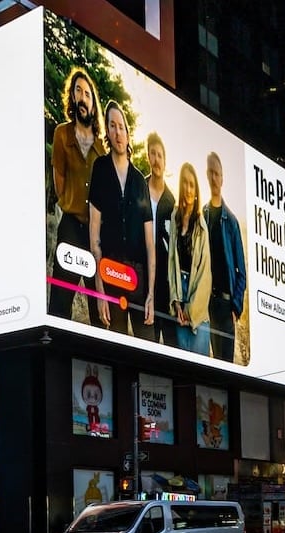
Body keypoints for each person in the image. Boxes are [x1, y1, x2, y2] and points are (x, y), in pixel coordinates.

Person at [88, 101, 155, 337]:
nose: (118, 132)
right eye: (112, 126)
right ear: (107, 131)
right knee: (115, 359)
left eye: (122, 127)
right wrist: (99, 291)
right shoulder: (100, 169)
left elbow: (149, 244)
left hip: (138, 281)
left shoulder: (139, 181)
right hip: (110, 275)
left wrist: (151, 295)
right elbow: (94, 234)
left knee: (147, 357)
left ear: (128, 133)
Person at [49, 67, 106, 325]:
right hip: (71, 230)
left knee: (99, 309)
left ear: (93, 104)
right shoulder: (62, 134)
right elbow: (58, 181)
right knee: (60, 306)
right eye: (78, 91)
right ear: (72, 97)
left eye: (87, 94)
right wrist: (71, 204)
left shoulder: (102, 147)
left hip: (96, 237)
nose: (82, 97)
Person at [203, 151, 247, 363]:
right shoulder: (202, 215)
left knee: (226, 364)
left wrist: (236, 307)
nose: (213, 178)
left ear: (223, 178)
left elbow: (241, 272)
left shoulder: (231, 221)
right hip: (206, 303)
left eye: (217, 173)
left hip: (225, 306)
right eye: (210, 173)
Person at [167, 162, 212, 354]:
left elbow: (204, 274)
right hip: (179, 293)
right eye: (184, 182)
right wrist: (176, 301)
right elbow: (171, 262)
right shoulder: (175, 217)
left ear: (196, 190)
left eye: (191, 184)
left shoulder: (201, 224)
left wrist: (190, 310)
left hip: (196, 301)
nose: (187, 188)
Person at [145, 132, 177, 347]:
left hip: (165, 284)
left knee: (171, 345)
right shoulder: (139, 189)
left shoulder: (171, 200)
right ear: (148, 157)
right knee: (148, 343)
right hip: (143, 276)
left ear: (165, 161)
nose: (156, 160)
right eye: (152, 154)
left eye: (160, 155)